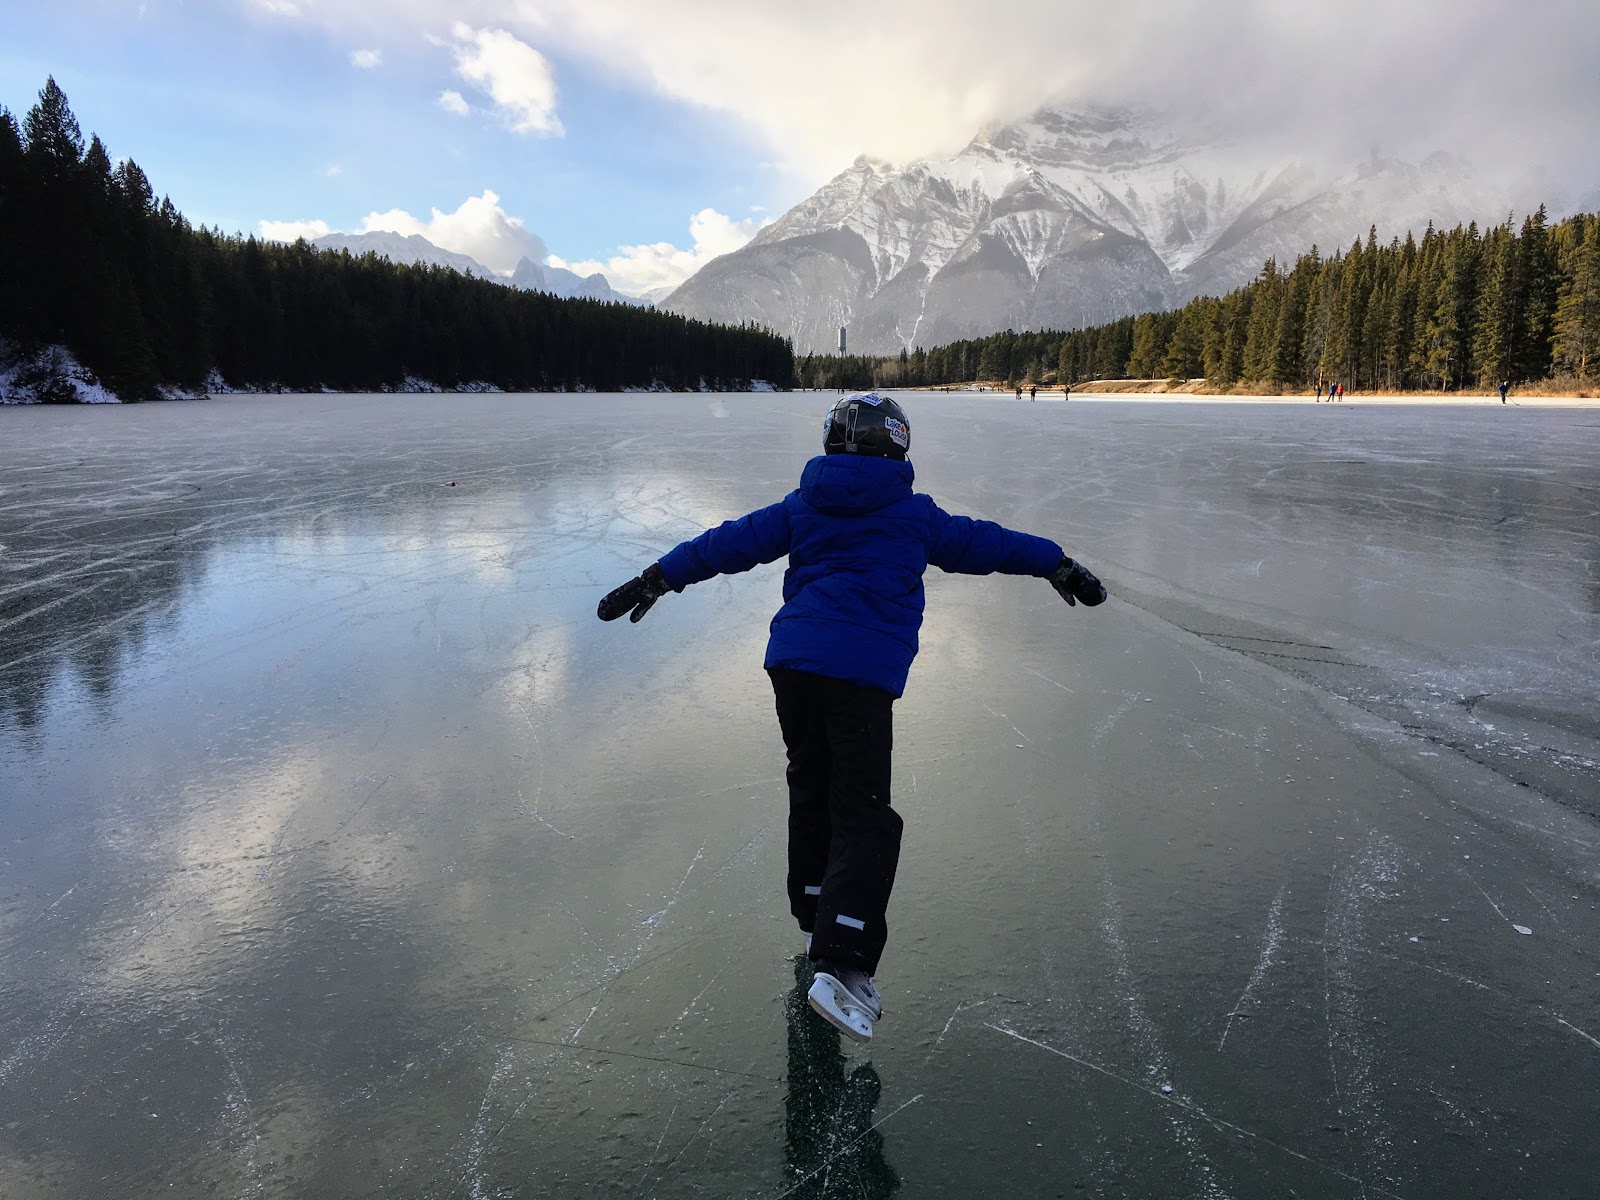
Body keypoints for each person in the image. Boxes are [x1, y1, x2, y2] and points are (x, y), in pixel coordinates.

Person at [596, 393, 1107, 1043]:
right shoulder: (914, 515)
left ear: (834, 442)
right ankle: (844, 960)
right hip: (859, 679)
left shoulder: (803, 504)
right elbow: (990, 544)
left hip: (793, 668)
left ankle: (815, 907)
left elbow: (726, 544)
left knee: (812, 790)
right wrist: (1056, 562)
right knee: (863, 811)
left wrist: (655, 577)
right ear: (897, 444)